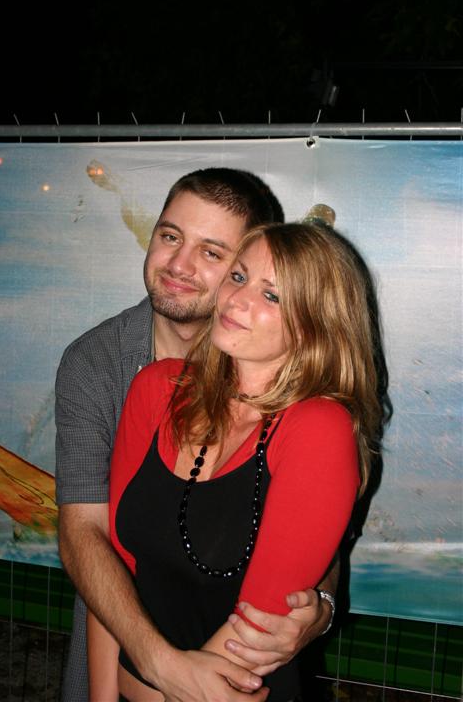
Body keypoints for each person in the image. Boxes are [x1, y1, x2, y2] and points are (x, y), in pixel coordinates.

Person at [56, 169, 339, 702]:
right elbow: (87, 535)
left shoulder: (301, 403)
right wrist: (157, 667)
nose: (179, 265)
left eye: (212, 252)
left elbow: (314, 530)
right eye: (170, 236)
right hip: (117, 634)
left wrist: (319, 603)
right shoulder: (100, 364)